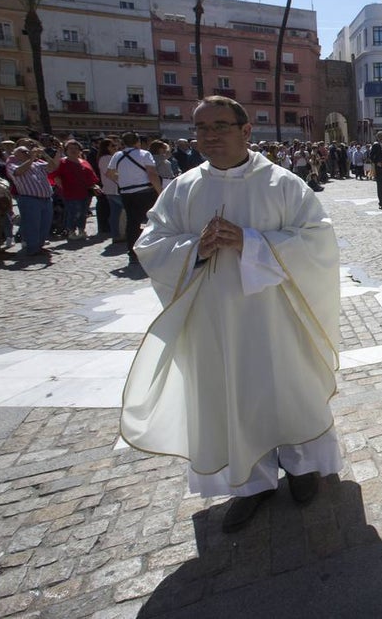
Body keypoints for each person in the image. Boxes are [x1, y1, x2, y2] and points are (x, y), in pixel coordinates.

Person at [121, 95, 342, 534]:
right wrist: (194, 248)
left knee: (287, 389)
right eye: (201, 128)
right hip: (213, 320)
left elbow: (318, 240)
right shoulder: (183, 187)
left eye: (220, 126)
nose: (209, 136)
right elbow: (150, 242)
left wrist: (252, 242)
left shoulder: (282, 183)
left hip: (277, 317)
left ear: (246, 131)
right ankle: (251, 484)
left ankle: (301, 468)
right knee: (232, 395)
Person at [107, 132, 161, 265]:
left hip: (126, 193)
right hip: (145, 191)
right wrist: (160, 192)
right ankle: (153, 250)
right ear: (138, 142)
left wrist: (122, 181)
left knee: (132, 223)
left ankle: (133, 253)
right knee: (153, 221)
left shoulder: (117, 155)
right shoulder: (144, 154)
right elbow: (152, 174)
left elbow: (109, 173)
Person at [6, 142, 64, 258]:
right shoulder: (12, 164)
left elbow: (53, 167)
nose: (27, 153)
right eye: (24, 152)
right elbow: (18, 172)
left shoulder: (37, 164)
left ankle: (39, 246)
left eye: (28, 151)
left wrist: (45, 154)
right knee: (32, 225)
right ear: (16, 155)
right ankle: (32, 248)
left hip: (46, 199)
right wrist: (32, 158)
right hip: (29, 199)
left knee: (45, 224)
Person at [49, 139, 99, 240]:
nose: (74, 150)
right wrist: (62, 188)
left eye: (76, 148)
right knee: (73, 213)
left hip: (85, 192)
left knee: (83, 212)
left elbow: (91, 176)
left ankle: (81, 230)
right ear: (66, 150)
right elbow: (55, 175)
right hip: (70, 193)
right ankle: (71, 231)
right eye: (71, 148)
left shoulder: (84, 162)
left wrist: (94, 186)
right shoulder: (62, 162)